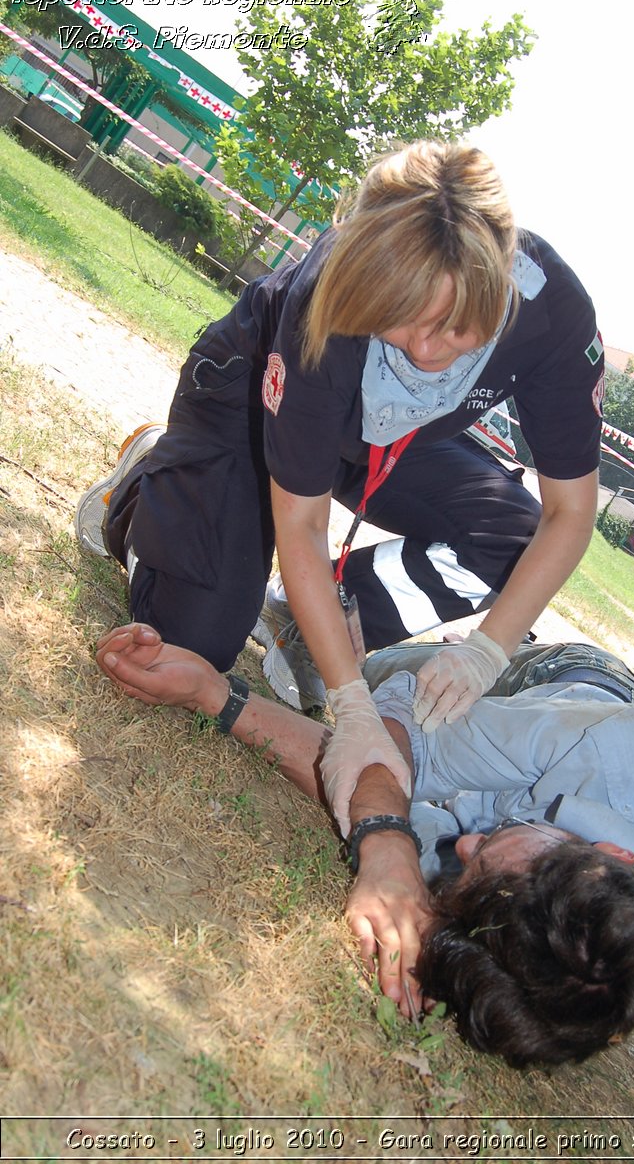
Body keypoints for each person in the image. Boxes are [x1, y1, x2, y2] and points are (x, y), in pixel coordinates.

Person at [76, 141, 604, 835]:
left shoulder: (554, 315)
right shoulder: (325, 296)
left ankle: (311, 612)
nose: (424, 350)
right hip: (247, 401)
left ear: (498, 283)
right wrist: (354, 707)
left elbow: (569, 512)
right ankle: (147, 489)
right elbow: (300, 524)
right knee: (191, 641)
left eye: (456, 327)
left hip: (388, 441)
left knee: (509, 541)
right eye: (400, 317)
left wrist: (487, 650)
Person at [95, 624, 634, 1067]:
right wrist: (386, 843)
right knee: (367, 681)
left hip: (530, 767)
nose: (466, 846)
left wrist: (212, 694)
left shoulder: (590, 984)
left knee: (393, 775)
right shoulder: (607, 747)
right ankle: (323, 619)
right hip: (569, 684)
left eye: (470, 869)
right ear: (612, 856)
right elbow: (389, 738)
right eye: (498, 845)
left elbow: (366, 786)